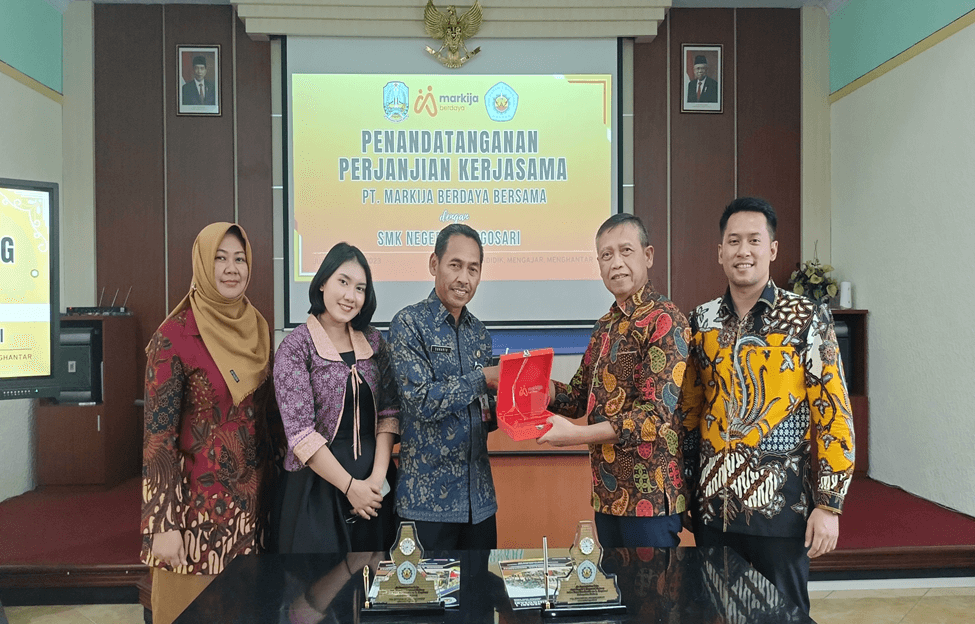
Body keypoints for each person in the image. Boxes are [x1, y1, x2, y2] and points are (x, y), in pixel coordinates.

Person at [678, 197, 855, 615]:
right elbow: (689, 414)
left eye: (754, 240)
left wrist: (829, 504)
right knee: (716, 613)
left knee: (783, 616)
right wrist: (686, 488)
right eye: (733, 241)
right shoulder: (701, 321)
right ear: (720, 252)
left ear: (772, 249)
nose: (743, 251)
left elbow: (833, 412)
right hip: (714, 512)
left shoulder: (807, 318)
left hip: (781, 512)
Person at [141, 222, 279, 624]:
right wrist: (162, 525)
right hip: (193, 516)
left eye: (239, 259)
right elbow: (157, 439)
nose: (231, 268)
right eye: (220, 258)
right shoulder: (174, 336)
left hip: (251, 514)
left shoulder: (257, 328)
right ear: (202, 264)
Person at [536, 213, 690, 548]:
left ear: (648, 255)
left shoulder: (666, 320)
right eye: (606, 255)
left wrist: (576, 436)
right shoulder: (605, 325)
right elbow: (578, 396)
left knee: (654, 584)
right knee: (613, 582)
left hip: (650, 498)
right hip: (607, 496)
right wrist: (541, 391)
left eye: (625, 251)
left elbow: (653, 418)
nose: (616, 262)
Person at [272, 243, 400, 553]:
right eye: (343, 282)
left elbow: (389, 413)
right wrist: (350, 487)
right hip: (316, 492)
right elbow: (300, 434)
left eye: (360, 288)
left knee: (377, 577)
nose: (350, 296)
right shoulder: (295, 347)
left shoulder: (374, 341)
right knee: (319, 581)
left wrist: (376, 482)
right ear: (322, 283)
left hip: (375, 491)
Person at [389, 224, 500, 550]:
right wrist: (483, 378)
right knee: (425, 586)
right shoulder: (408, 324)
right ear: (434, 264)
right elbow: (421, 401)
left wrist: (513, 406)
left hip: (479, 503)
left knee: (481, 584)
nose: (464, 278)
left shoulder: (480, 333)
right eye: (455, 265)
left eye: (473, 269)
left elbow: (482, 413)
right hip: (426, 505)